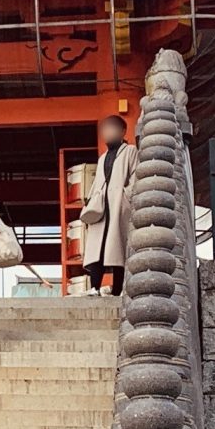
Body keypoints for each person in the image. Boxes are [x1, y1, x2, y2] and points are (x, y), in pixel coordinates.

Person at [79, 113, 134, 297]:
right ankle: (95, 287)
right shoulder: (103, 157)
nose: (108, 133)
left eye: (112, 129)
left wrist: (126, 196)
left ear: (122, 131)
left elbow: (135, 177)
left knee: (117, 248)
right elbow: (98, 183)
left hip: (119, 205)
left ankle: (118, 289)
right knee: (98, 249)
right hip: (103, 206)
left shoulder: (131, 151)